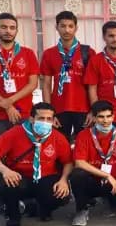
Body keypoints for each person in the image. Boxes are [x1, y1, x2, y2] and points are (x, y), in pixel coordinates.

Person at [0, 12, 39, 214]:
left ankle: (26, 197)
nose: (8, 31)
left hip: (23, 114)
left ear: (17, 30)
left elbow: (33, 83)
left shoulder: (27, 53)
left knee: (25, 155)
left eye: (12, 27)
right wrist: (4, 105)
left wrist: (10, 101)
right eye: (4, 27)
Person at [0, 102, 73, 226]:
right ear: (32, 119)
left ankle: (40, 208)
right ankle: (13, 217)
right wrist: (5, 171)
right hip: (20, 177)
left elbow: (68, 162)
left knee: (62, 195)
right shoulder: (15, 133)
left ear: (54, 120)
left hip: (45, 177)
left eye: (49, 119)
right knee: (7, 183)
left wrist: (64, 180)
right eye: (41, 118)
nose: (45, 122)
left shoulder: (57, 137)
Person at [70, 100, 116, 226]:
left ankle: (108, 200)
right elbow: (79, 162)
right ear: (94, 118)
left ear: (113, 117)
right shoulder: (84, 135)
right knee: (77, 174)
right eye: (101, 117)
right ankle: (81, 209)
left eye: (108, 116)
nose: (105, 120)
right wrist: (107, 175)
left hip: (115, 182)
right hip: (93, 181)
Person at [39, 11, 94, 140]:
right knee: (60, 144)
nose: (67, 30)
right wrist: (49, 113)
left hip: (83, 109)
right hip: (59, 109)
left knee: (84, 144)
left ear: (76, 28)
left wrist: (93, 111)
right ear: (56, 27)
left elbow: (93, 85)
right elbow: (46, 85)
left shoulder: (88, 52)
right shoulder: (49, 54)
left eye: (70, 26)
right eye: (63, 26)